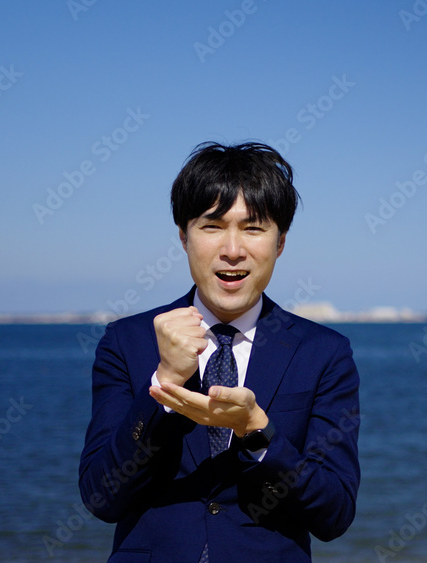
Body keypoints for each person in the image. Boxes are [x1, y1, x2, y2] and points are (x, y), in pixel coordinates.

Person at [79, 141, 360, 562]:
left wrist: (258, 432)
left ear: (280, 242)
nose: (232, 250)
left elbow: (334, 515)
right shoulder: (127, 341)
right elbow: (101, 498)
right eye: (212, 226)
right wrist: (164, 383)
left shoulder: (323, 353)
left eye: (253, 228)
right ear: (183, 236)